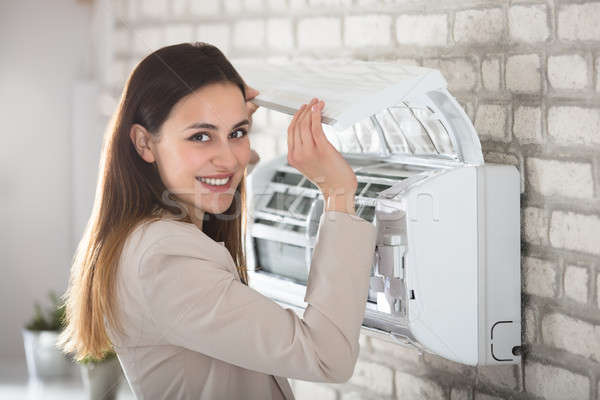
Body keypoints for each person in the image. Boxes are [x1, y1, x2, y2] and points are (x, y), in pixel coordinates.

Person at [57, 42, 376, 400]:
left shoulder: (143, 237)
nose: (228, 159)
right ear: (144, 143)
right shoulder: (166, 259)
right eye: (200, 136)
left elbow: (221, 164)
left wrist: (226, 118)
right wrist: (338, 193)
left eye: (238, 133)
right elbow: (326, 357)